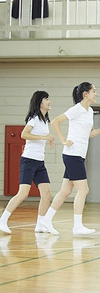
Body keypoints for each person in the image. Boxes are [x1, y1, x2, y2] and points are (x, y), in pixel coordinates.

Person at [38, 82, 100, 236]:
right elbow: (55, 121)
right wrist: (63, 140)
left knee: (65, 191)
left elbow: (89, 134)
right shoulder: (76, 109)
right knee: (83, 190)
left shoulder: (89, 111)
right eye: (94, 91)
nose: (96, 94)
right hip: (72, 155)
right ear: (85, 94)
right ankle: (77, 226)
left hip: (78, 155)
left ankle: (46, 220)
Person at [0, 91, 55, 234]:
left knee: (47, 193)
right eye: (46, 99)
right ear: (40, 102)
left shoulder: (44, 120)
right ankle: (2, 220)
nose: (49, 101)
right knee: (23, 193)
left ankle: (40, 224)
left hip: (39, 162)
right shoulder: (34, 118)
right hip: (29, 160)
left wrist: (48, 139)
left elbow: (43, 137)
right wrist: (44, 137)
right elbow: (24, 134)